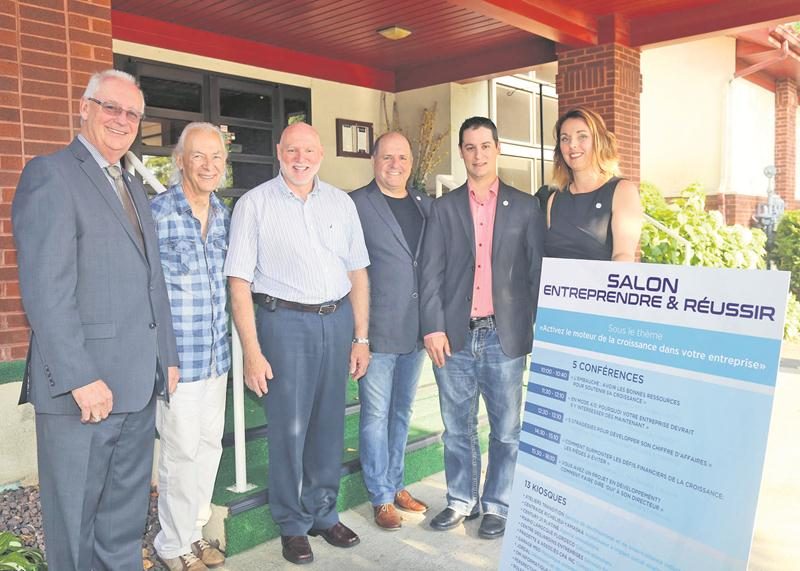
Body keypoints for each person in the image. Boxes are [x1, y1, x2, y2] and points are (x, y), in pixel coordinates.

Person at [12, 69, 179, 571]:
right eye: (111, 107)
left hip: (137, 385)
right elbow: (46, 290)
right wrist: (80, 376)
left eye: (132, 113)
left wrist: (165, 357)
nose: (121, 119)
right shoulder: (51, 174)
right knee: (75, 525)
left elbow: (154, 282)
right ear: (84, 108)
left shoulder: (131, 184)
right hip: (84, 391)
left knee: (124, 522)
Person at [225, 122, 370, 565]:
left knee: (328, 425)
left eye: (308, 150)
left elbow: (358, 272)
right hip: (283, 324)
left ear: (321, 154)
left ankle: (324, 513)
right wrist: (252, 350)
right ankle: (292, 523)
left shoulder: (341, 203)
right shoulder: (254, 204)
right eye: (292, 150)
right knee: (289, 429)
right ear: (279, 152)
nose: (300, 158)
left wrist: (361, 336)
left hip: (336, 319)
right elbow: (238, 281)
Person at [420, 116, 545, 540]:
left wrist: (534, 327)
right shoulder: (444, 207)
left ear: (497, 149)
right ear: (461, 153)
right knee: (457, 425)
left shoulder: (525, 206)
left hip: (503, 334)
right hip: (454, 335)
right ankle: (461, 499)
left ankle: (497, 504)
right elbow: (431, 274)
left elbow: (535, 273)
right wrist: (433, 327)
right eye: (470, 147)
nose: (478, 155)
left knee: (506, 428)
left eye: (485, 146)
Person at [150, 123, 231, 571]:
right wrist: (163, 356)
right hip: (178, 361)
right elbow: (146, 291)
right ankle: (171, 544)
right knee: (180, 452)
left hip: (216, 357)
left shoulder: (224, 215)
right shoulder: (157, 213)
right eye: (198, 156)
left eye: (216, 157)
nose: (208, 166)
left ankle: (195, 532)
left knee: (208, 445)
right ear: (180, 160)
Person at [350, 132, 433, 530]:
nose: (394, 164)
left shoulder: (423, 204)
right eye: (387, 157)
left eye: (402, 157)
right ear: (373, 160)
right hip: (377, 332)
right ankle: (380, 496)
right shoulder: (356, 204)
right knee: (375, 416)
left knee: (402, 413)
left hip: (415, 331)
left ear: (411, 162)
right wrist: (358, 335)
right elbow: (350, 270)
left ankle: (397, 484)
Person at [542, 107, 643, 261]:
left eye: (582, 136)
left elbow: (623, 256)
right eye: (565, 138)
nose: (572, 145)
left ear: (599, 142)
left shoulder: (623, 191)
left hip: (603, 285)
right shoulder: (554, 199)